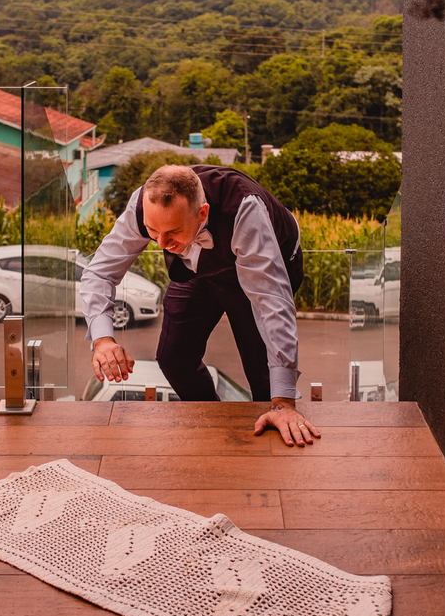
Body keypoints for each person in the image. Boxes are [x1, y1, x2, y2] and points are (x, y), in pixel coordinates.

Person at [79, 164, 321, 448]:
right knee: (174, 357)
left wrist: (283, 403)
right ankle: (216, 429)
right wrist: (103, 340)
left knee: (265, 375)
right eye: (152, 232)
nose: (161, 244)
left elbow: (272, 301)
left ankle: (273, 437)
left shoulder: (243, 210)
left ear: (202, 213)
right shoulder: (145, 202)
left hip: (263, 269)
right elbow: (99, 272)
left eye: (172, 232)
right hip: (197, 271)